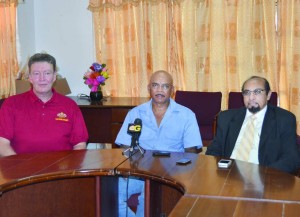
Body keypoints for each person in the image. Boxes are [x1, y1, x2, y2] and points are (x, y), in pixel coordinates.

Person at [115, 70, 203, 216]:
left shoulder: (186, 115)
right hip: (140, 172)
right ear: (149, 88)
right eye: (155, 85)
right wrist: (132, 165)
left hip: (172, 175)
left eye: (165, 86)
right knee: (112, 194)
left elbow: (192, 151)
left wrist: (179, 172)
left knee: (148, 198)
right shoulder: (135, 113)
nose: (160, 90)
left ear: (172, 90)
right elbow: (124, 145)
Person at [206, 76, 300, 174]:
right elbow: (213, 149)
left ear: (268, 95)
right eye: (247, 93)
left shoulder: (284, 119)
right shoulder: (226, 118)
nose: (251, 97)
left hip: (265, 178)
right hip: (228, 176)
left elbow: (291, 158)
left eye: (258, 91)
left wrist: (265, 175)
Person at [0, 53, 88, 156]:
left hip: (62, 170)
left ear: (54, 76)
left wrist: (70, 169)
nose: (42, 79)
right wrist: (18, 167)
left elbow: (80, 145)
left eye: (47, 73)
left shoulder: (70, 105)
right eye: (36, 73)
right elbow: (2, 143)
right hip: (23, 169)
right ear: (30, 77)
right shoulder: (11, 104)